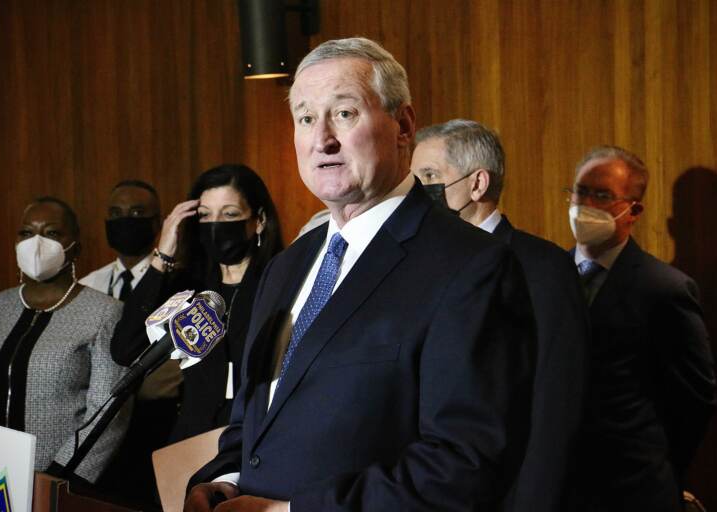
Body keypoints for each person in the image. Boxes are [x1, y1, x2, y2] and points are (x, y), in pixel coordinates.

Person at [185, 37, 535, 512]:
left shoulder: (470, 265)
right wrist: (224, 480)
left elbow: (465, 461)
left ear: (404, 125)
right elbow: (256, 418)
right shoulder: (286, 267)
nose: (322, 138)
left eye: (344, 114)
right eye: (306, 118)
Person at [410, 119, 588, 511]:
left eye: (429, 176)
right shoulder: (419, 265)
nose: (417, 192)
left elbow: (554, 403)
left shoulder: (541, 266)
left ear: (477, 184)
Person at [566, 146, 716, 511]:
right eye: (579, 191)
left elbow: (693, 402)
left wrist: (655, 466)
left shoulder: (665, 290)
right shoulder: (548, 274)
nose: (585, 204)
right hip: (561, 488)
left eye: (601, 195)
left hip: (634, 489)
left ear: (633, 210)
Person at [0, 197, 129, 484]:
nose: (36, 243)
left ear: (75, 248)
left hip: (53, 477)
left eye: (52, 233)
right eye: (26, 233)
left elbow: (108, 412)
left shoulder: (105, 313)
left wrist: (60, 477)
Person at [111, 164, 283, 443]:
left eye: (230, 214)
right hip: (193, 443)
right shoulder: (189, 287)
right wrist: (162, 256)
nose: (217, 225)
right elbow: (125, 349)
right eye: (205, 215)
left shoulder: (281, 283)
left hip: (257, 442)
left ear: (259, 220)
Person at [80, 180, 180, 509]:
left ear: (157, 222)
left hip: (154, 432)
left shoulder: (178, 284)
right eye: (116, 213)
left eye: (137, 212)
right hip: (95, 435)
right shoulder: (87, 286)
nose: (125, 220)